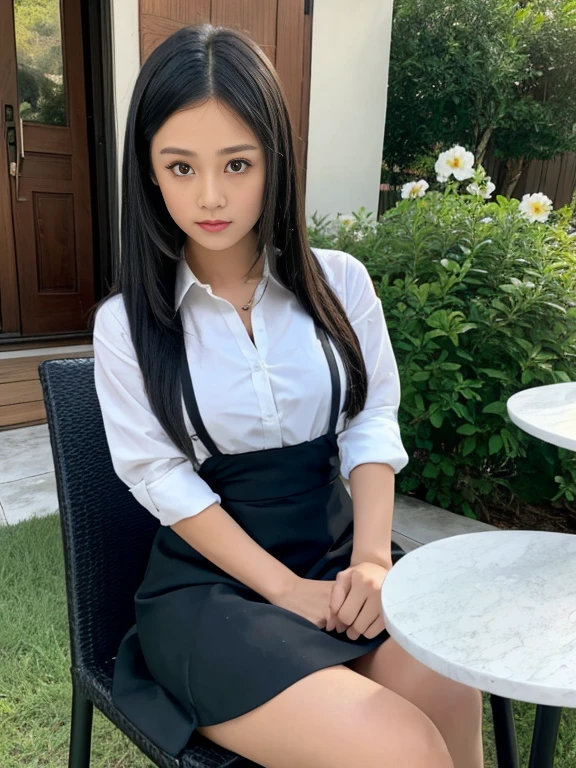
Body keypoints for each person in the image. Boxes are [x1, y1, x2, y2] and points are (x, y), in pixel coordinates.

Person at [92, 23, 484, 768]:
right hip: (215, 593)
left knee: (447, 694)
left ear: (275, 159)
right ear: (148, 172)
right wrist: (285, 590)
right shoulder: (127, 327)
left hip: (340, 555)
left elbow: (371, 419)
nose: (211, 196)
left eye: (237, 163)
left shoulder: (341, 284)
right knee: (402, 749)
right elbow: (160, 479)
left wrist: (372, 560)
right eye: (180, 167)